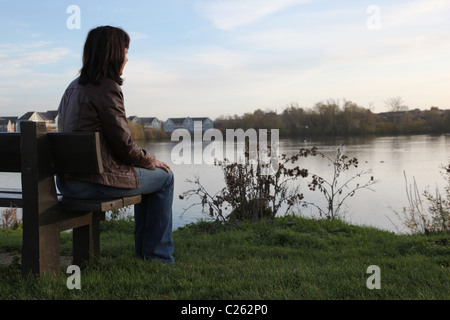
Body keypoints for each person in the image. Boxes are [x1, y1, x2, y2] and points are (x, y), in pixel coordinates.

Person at [56, 26, 175, 263]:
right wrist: (152, 160)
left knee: (153, 175)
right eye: (125, 51)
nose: (127, 58)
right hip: (93, 182)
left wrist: (144, 162)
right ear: (114, 54)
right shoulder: (107, 88)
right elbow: (125, 146)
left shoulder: (72, 87)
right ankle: (156, 257)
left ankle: (148, 255)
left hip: (67, 182)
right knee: (165, 177)